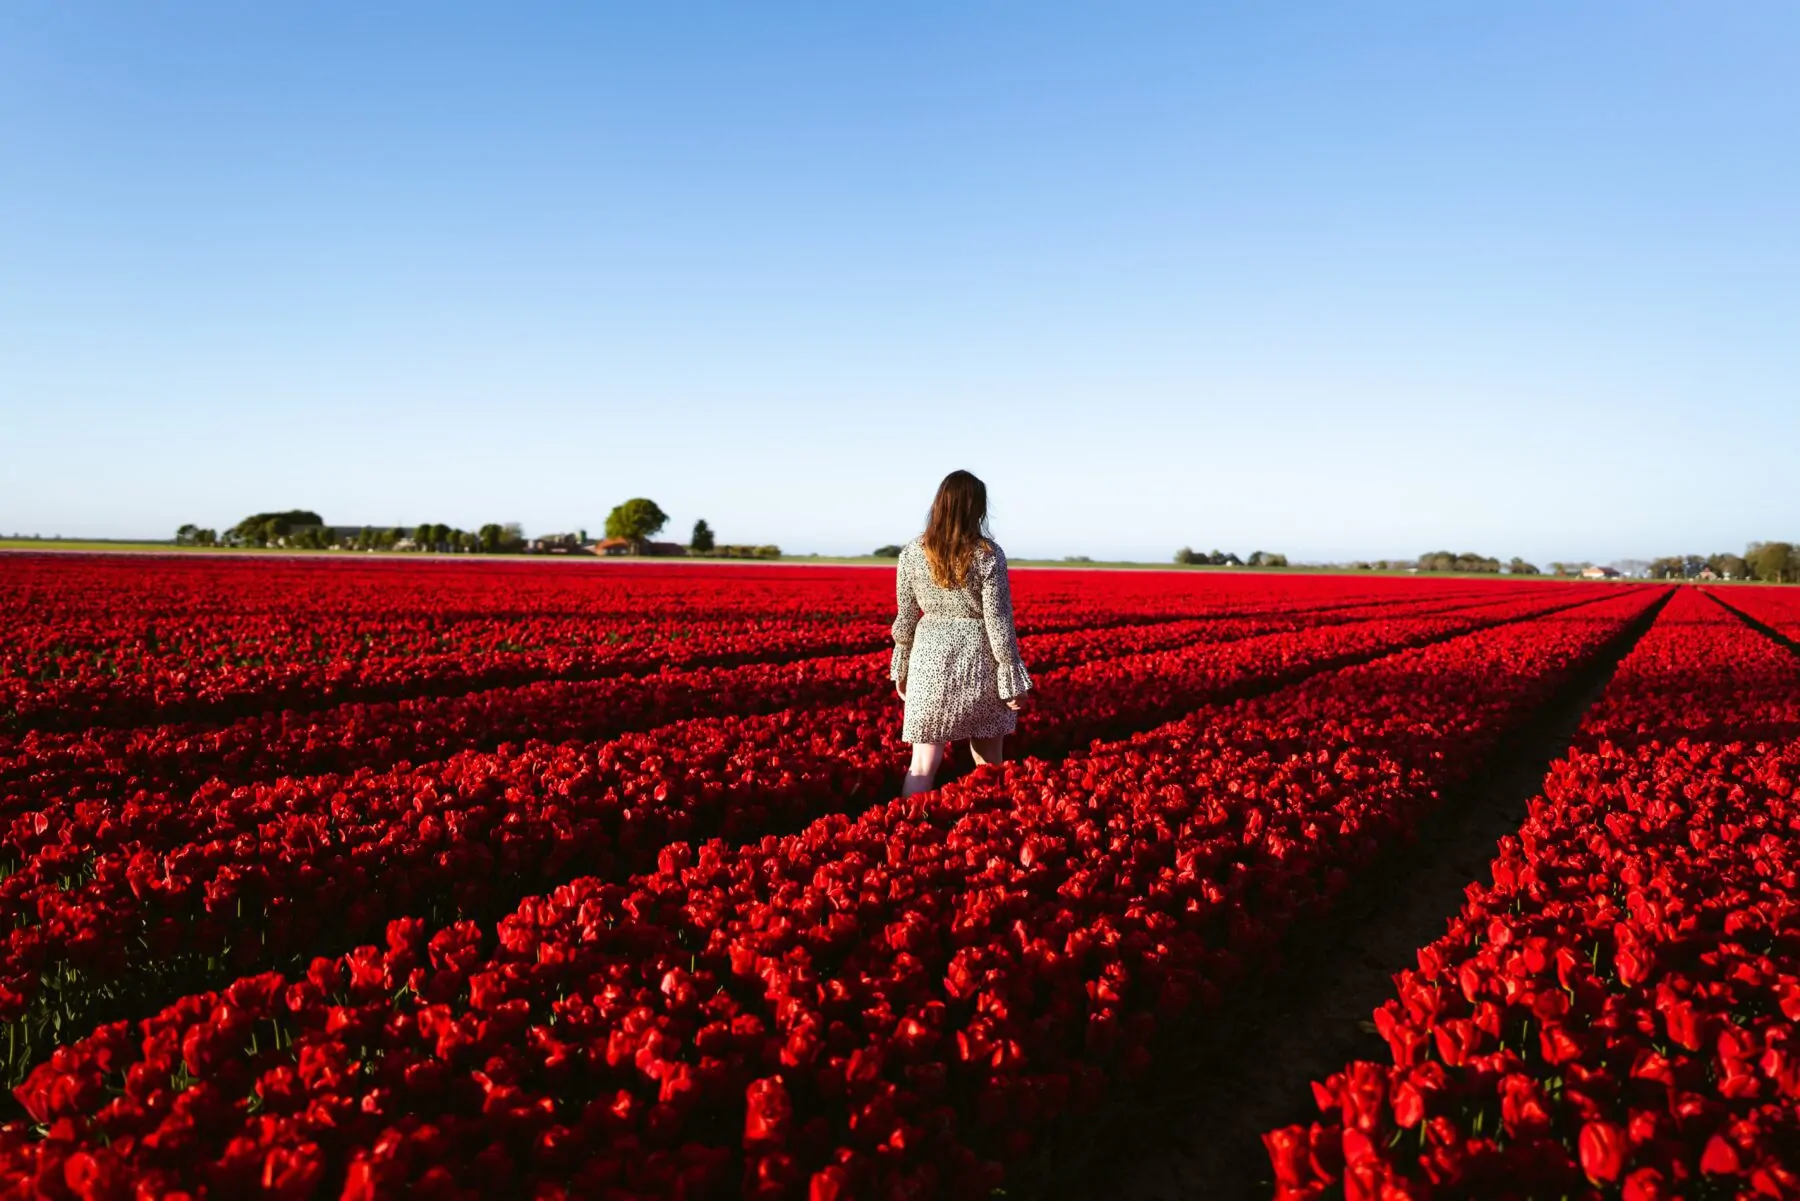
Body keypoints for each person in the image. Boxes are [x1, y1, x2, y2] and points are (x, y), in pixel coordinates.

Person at [890, 470, 1032, 797]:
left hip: (928, 658)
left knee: (922, 763)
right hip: (978, 659)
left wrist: (901, 664)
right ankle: (993, 822)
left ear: (939, 504)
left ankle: (909, 829)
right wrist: (1010, 674)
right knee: (988, 759)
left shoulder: (912, 552)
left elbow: (906, 615)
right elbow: (997, 618)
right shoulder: (986, 553)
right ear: (977, 509)